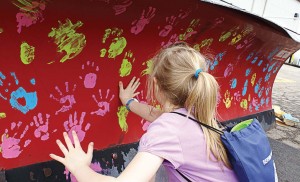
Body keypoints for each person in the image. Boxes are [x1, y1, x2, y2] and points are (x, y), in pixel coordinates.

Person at [50, 42, 238, 182]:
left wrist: (79, 167)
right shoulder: (198, 111)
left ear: (155, 83)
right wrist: (129, 103)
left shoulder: (167, 131)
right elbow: (155, 114)